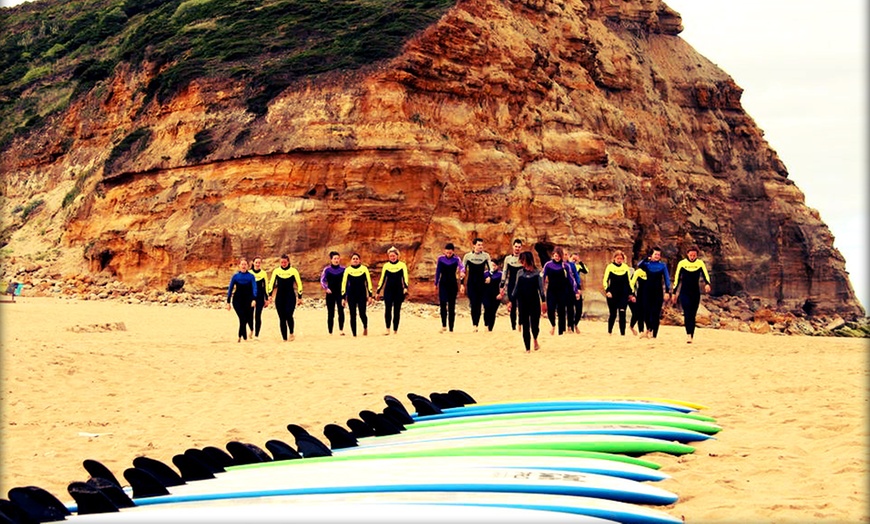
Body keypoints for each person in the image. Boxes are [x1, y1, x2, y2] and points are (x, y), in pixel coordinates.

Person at [672, 246, 712, 344]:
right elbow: (677, 278)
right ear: (687, 254)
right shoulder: (682, 263)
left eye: (694, 255)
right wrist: (674, 293)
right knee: (687, 313)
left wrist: (707, 284)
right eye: (691, 255)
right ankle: (688, 334)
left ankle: (692, 335)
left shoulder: (700, 263)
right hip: (684, 292)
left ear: (697, 255)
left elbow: (705, 274)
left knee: (693, 315)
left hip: (695, 292)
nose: (692, 257)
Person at [508, 251, 546, 352]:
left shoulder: (538, 273)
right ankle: (527, 349)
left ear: (528, 260)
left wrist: (544, 301)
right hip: (522, 302)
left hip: (534, 301)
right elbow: (516, 288)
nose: (521, 262)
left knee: (535, 325)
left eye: (522, 259)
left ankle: (535, 339)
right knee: (525, 325)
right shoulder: (520, 273)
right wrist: (511, 301)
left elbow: (541, 288)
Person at [267, 254, 303, 342]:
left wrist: (300, 297)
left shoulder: (293, 271)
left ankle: (291, 332)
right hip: (280, 297)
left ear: (288, 262)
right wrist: (270, 295)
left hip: (290, 297)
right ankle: (284, 338)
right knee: (282, 317)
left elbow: (299, 284)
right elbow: (271, 284)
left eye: (285, 262)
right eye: (282, 262)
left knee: (289, 315)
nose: (283, 264)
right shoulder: (276, 271)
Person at [542, 247, 577, 336]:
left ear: (561, 256)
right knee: (551, 309)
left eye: (558, 256)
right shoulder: (548, 265)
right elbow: (542, 276)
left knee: (561, 311)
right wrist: (541, 288)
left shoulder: (565, 266)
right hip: (551, 290)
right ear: (553, 255)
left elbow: (571, 279)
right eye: (555, 256)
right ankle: (553, 325)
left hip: (562, 291)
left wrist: (575, 290)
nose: (557, 258)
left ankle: (561, 331)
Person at [637, 246, 672, 339]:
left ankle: (654, 334)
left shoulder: (662, 265)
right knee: (646, 312)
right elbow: (639, 265)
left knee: (656, 313)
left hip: (658, 292)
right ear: (651, 255)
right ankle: (649, 328)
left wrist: (668, 291)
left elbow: (667, 279)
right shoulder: (646, 264)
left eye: (659, 255)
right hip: (646, 291)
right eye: (655, 254)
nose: (657, 256)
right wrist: (646, 259)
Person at [376, 246, 409, 335]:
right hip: (388, 290)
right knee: (388, 310)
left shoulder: (402, 265)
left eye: (394, 256)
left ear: (397, 256)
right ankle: (387, 329)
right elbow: (382, 279)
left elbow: (405, 277)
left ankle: (395, 330)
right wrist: (378, 291)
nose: (392, 257)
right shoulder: (386, 266)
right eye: (390, 256)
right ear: (388, 257)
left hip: (398, 290)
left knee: (396, 311)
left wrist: (406, 288)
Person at [461, 237, 493, 332]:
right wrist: (462, 284)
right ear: (474, 245)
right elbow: (463, 271)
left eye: (482, 245)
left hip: (482, 283)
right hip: (472, 284)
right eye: (479, 245)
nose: (481, 247)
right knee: (475, 305)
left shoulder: (486, 256)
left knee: (486, 304)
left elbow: (491, 269)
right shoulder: (467, 256)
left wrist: (488, 276)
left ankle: (486, 324)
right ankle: (475, 325)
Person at [434, 242, 465, 333]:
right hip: (443, 283)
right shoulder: (441, 259)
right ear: (444, 251)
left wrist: (462, 271)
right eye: (447, 252)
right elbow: (438, 271)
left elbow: (461, 267)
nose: (448, 254)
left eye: (450, 253)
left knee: (452, 306)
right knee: (443, 305)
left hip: (452, 284)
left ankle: (451, 328)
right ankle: (444, 326)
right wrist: (436, 283)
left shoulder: (456, 259)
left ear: (453, 252)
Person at [341, 253, 374, 337]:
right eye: (353, 259)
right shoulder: (347, 270)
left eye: (357, 259)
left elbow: (368, 283)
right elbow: (344, 284)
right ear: (351, 261)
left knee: (362, 313)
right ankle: (354, 334)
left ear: (359, 260)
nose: (355, 260)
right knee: (352, 314)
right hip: (351, 295)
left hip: (362, 294)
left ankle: (365, 327)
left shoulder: (364, 269)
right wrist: (343, 297)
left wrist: (370, 296)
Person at [226, 257, 257, 342]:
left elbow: (255, 288)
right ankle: (243, 337)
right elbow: (230, 288)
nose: (243, 266)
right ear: (239, 266)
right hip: (237, 300)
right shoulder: (235, 276)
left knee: (246, 318)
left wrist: (254, 299)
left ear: (248, 266)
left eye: (245, 264)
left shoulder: (251, 277)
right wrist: (228, 302)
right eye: (242, 264)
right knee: (242, 318)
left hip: (248, 300)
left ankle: (241, 337)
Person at [602, 250, 632, 336]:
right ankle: (609, 332)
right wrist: (607, 291)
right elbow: (605, 280)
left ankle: (622, 333)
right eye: (618, 258)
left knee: (622, 313)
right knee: (613, 314)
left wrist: (630, 293)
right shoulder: (610, 267)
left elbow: (628, 281)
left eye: (621, 258)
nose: (619, 260)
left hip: (623, 294)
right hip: (612, 294)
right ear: (614, 258)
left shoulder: (625, 267)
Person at [499, 239, 525, 331]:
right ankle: (513, 326)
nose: (517, 248)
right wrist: (502, 285)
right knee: (512, 306)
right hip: (512, 285)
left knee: (522, 306)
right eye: (516, 246)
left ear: (521, 248)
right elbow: (505, 272)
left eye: (519, 247)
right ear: (513, 247)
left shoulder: (523, 258)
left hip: (522, 285)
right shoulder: (508, 259)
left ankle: (520, 324)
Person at [320, 251, 346, 335]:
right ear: (331, 260)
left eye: (338, 258)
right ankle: (330, 331)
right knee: (330, 313)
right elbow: (322, 280)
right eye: (335, 258)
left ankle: (341, 330)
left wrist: (345, 294)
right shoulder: (327, 270)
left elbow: (347, 282)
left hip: (340, 293)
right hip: (330, 293)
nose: (336, 260)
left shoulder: (343, 269)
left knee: (341, 311)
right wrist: (326, 288)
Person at [567, 252, 588, 333]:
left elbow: (586, 271)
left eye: (576, 258)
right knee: (570, 309)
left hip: (577, 288)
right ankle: (570, 326)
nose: (574, 260)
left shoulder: (578, 266)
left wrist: (580, 262)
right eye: (573, 258)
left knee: (579, 309)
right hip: (569, 288)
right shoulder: (567, 265)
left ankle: (575, 324)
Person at [249, 257, 269, 340]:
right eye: (256, 262)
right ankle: (251, 330)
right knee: (249, 315)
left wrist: (267, 299)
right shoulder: (249, 273)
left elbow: (265, 286)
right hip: (250, 297)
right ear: (253, 263)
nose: (257, 264)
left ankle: (256, 335)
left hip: (260, 297)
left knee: (258, 316)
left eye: (259, 263)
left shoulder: (263, 273)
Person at [482, 261, 503, 332]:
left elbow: (504, 284)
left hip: (496, 295)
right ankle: (486, 325)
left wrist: (501, 294)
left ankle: (490, 328)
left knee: (493, 312)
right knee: (487, 309)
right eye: (491, 265)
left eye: (494, 265)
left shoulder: (500, 274)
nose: (493, 267)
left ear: (497, 266)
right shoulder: (485, 273)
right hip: (486, 295)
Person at [628, 264, 647, 336]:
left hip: (638, 296)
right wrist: (631, 295)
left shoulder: (634, 271)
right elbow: (631, 284)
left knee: (639, 314)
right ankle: (634, 328)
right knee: (637, 313)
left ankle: (640, 331)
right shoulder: (636, 272)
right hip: (631, 296)